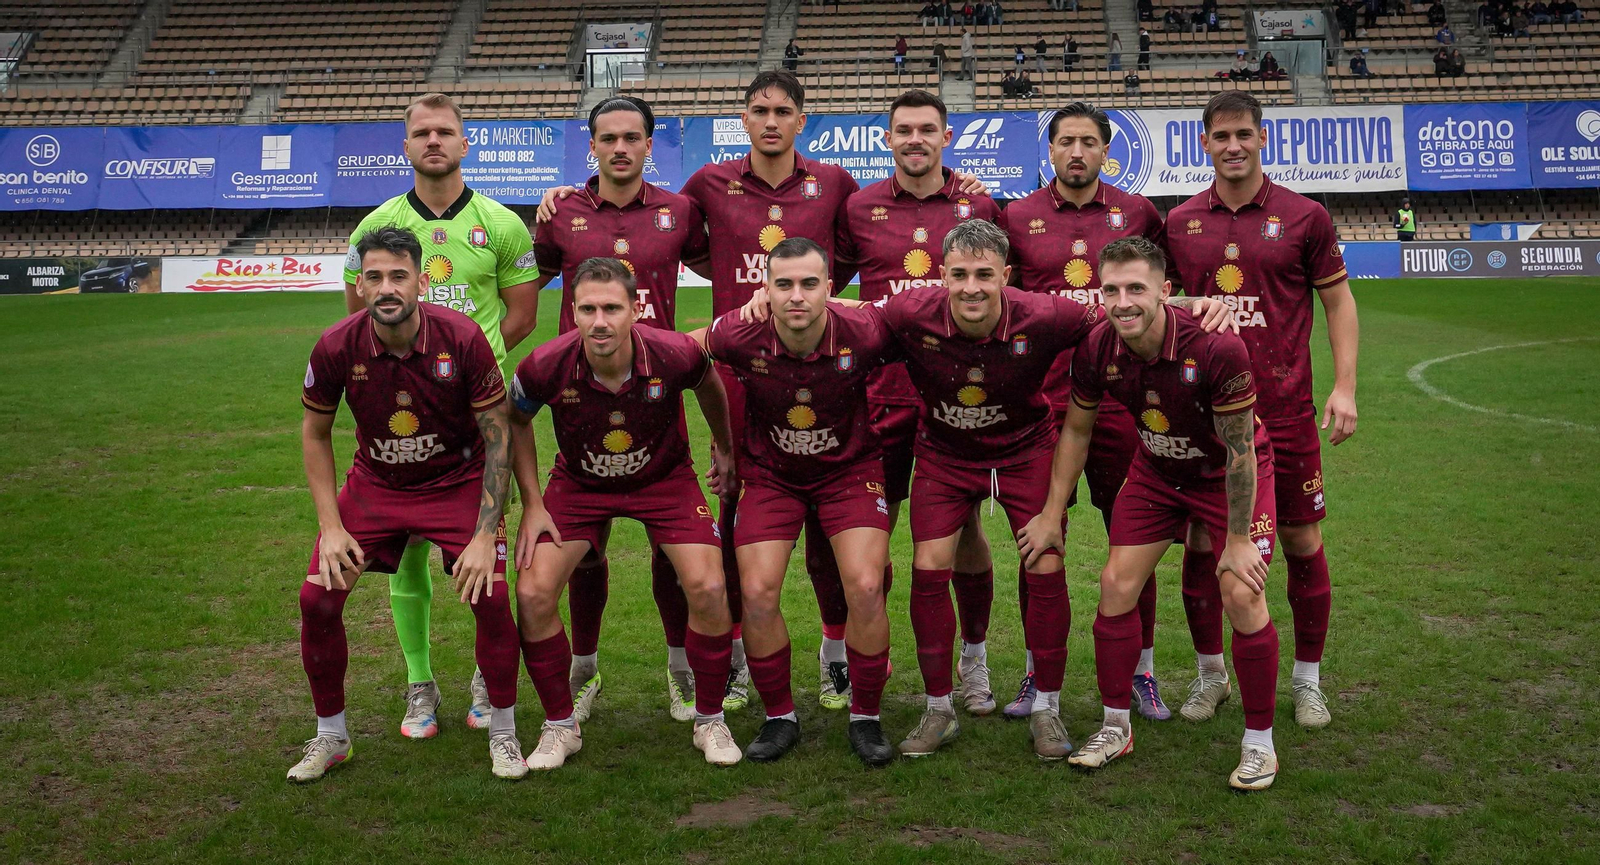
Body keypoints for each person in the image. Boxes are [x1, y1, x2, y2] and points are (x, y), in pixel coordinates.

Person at [1034, 236, 1284, 791]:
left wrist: (1239, 539)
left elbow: (1241, 450)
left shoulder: (1218, 348)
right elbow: (1076, 428)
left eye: (1136, 289)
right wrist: (1053, 511)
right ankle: (1116, 725)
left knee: (1241, 591)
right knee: (1116, 584)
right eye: (1112, 289)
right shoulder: (1099, 347)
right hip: (1156, 472)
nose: (1123, 301)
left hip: (1228, 475)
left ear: (1166, 292)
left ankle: (1259, 743)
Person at [342, 92, 541, 742]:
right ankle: (419, 682)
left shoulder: (501, 223)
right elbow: (358, 317)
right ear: (405, 146)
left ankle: (489, 676)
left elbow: (522, 315)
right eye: (421, 132)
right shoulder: (374, 227)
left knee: (490, 553)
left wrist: (472, 370)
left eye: (444, 131)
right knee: (406, 559)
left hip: (478, 414)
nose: (433, 141)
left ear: (465, 142)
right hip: (405, 414)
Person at [291, 226, 522, 782]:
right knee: (316, 599)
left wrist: (485, 533)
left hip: (457, 482)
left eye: (398, 275)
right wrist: (331, 527)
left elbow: (498, 437)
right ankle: (331, 736)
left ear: (422, 280)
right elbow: (314, 434)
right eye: (374, 277)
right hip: (377, 487)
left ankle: (505, 734)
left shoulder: (462, 337)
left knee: (489, 594)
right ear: (360, 284)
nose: (386, 287)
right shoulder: (335, 345)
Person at [1162, 91, 1360, 731]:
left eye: (1244, 133)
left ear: (1262, 138)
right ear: (1205, 143)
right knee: (1201, 543)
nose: (1233, 146)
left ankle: (1307, 681)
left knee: (1302, 539)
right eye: (1221, 136)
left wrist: (1345, 387)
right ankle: (1209, 675)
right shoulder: (1181, 221)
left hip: (1286, 409)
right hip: (1205, 415)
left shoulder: (1306, 217)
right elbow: (1161, 301)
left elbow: (1338, 304)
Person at [508, 257, 741, 770]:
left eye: (611, 308)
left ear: (635, 309)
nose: (600, 321)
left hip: (664, 481)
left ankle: (710, 718)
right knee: (532, 591)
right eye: (588, 309)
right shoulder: (545, 364)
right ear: (572, 313)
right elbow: (515, 420)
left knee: (708, 586)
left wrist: (724, 449)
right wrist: (531, 503)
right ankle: (559, 726)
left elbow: (710, 386)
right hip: (580, 485)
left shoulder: (675, 352)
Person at [531, 97, 712, 724]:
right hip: (583, 394)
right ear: (592, 145)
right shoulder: (561, 213)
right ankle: (583, 667)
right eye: (607, 138)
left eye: (632, 137)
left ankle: (681, 670)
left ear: (650, 144)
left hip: (659, 392)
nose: (619, 148)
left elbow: (728, 265)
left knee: (672, 547)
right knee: (587, 543)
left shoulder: (680, 211)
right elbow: (530, 282)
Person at [996, 102, 1171, 723]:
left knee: (1134, 540)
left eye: (1089, 142)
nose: (1077, 151)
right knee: (1038, 540)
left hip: (1126, 404)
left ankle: (1143, 672)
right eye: (1066, 141)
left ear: (1105, 151)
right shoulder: (1016, 215)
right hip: (1042, 405)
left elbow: (1160, 296)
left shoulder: (1140, 213)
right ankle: (1035, 672)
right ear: (1050, 151)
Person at [695, 238, 897, 767]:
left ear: (831, 288)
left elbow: (926, 323)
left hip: (850, 472)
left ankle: (866, 716)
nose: (797, 296)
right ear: (765, 288)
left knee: (867, 585)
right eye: (783, 284)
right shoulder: (740, 332)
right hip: (771, 476)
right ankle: (779, 715)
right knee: (758, 592)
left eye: (810, 284)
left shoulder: (866, 330)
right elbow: (682, 354)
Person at [833, 90, 1003, 719]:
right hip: (877, 396)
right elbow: (827, 283)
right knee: (870, 540)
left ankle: (975, 658)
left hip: (952, 395)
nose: (914, 140)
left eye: (926, 130)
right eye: (902, 129)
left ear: (946, 137)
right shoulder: (859, 207)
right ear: (887, 138)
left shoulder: (977, 203)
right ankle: (865, 664)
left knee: (962, 534)